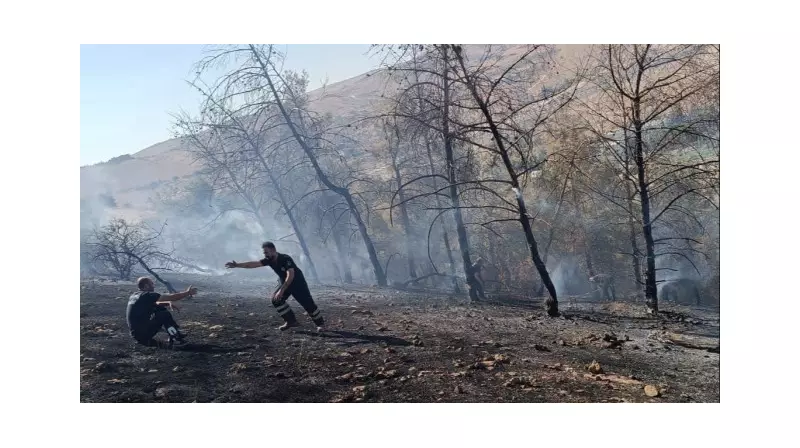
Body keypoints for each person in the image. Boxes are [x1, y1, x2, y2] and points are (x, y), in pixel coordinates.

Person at [226, 241, 325, 332]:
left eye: (266, 252)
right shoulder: (269, 260)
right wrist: (237, 265)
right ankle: (291, 321)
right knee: (276, 299)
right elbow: (254, 264)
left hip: (297, 283)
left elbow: (291, 275)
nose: (265, 255)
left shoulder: (285, 258)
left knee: (308, 304)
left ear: (273, 250)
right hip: (284, 282)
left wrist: (281, 290)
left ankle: (320, 324)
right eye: (264, 253)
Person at [126, 277, 197, 348]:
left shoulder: (135, 295)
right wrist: (188, 293)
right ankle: (176, 338)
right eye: (152, 284)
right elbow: (173, 297)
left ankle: (175, 333)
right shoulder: (148, 295)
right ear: (146, 286)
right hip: (143, 335)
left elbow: (155, 304)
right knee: (163, 314)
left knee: (160, 309)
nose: (154, 286)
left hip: (136, 334)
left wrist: (168, 303)